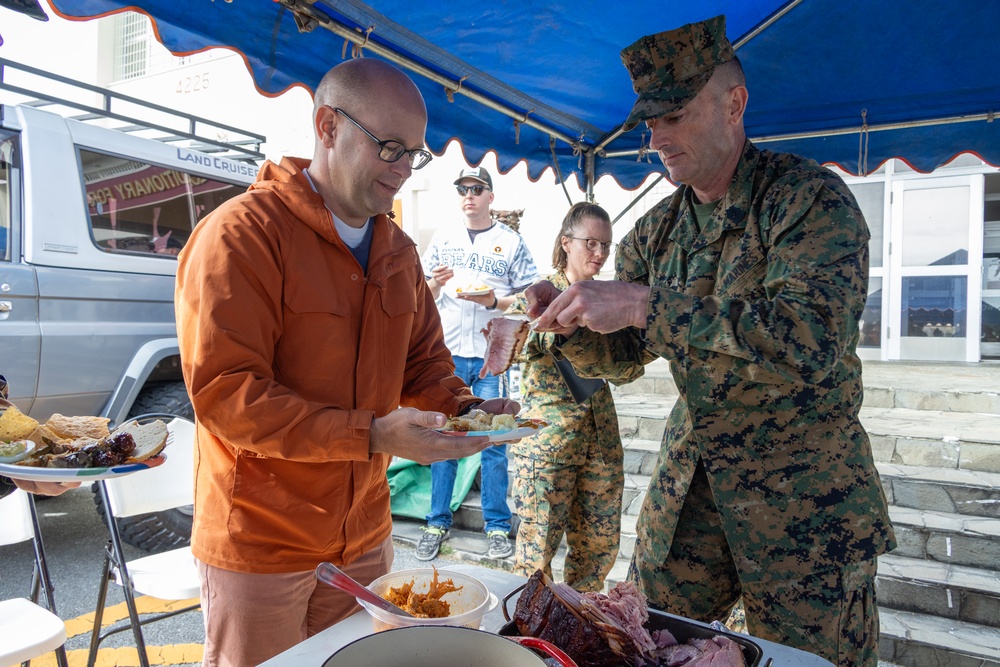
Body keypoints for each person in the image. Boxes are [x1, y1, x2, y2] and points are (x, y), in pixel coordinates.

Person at [526, 15, 895, 667]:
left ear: (734, 103)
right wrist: (569, 324)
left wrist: (647, 302)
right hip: (688, 502)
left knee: (810, 662)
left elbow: (809, 338)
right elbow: (626, 357)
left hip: (804, 508)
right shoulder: (656, 231)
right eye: (649, 121)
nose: (657, 138)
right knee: (648, 649)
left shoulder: (807, 202)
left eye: (674, 115)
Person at [174, 58, 518, 667]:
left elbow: (425, 368)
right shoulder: (242, 235)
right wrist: (373, 435)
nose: (404, 169)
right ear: (328, 127)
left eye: (416, 153)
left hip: (363, 535)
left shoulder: (398, 251)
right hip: (261, 542)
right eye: (390, 147)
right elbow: (227, 396)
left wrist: (465, 411)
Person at [418, 166, 539, 561]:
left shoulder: (511, 241)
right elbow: (423, 293)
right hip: (448, 354)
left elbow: (529, 299)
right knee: (443, 438)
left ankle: (497, 527)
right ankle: (436, 522)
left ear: (490, 196)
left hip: (492, 359)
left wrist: (491, 301)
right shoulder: (444, 237)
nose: (468, 195)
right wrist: (434, 282)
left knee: (494, 441)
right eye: (462, 189)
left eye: (477, 188)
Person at [505, 202, 626, 592]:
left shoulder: (607, 300)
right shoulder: (540, 292)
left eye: (606, 245)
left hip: (600, 444)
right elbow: (524, 338)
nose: (600, 253)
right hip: (549, 446)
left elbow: (624, 364)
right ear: (566, 243)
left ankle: (583, 633)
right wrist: (561, 315)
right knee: (534, 562)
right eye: (590, 242)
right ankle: (525, 645)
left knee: (595, 556)